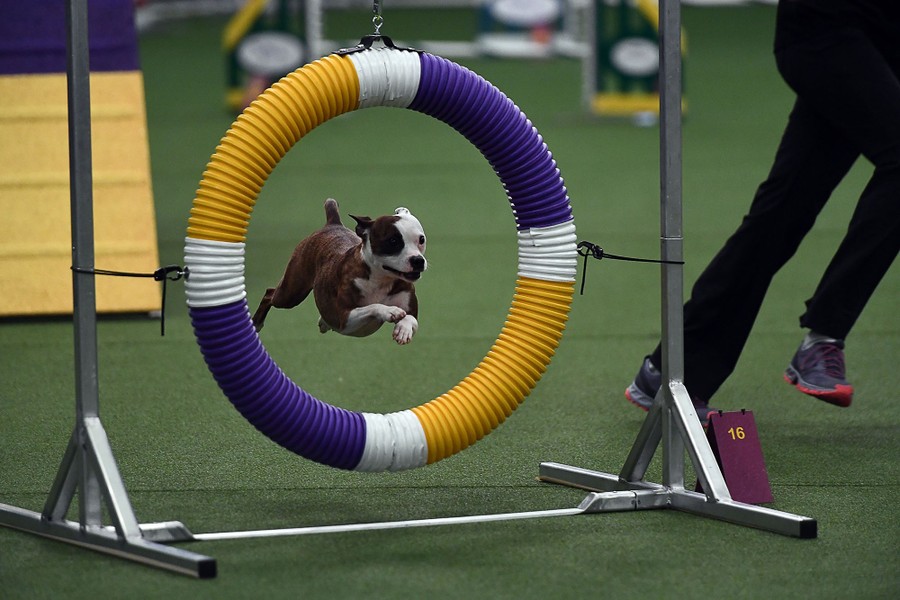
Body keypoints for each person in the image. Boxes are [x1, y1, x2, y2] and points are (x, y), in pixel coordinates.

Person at [625, 0, 900, 423]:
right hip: (825, 33)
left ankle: (668, 371)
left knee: (781, 213)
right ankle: (825, 333)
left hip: (880, 44)